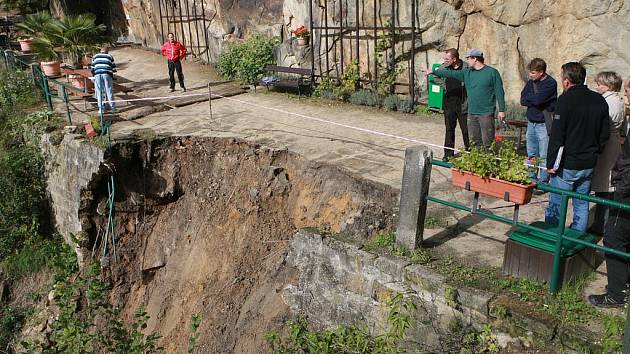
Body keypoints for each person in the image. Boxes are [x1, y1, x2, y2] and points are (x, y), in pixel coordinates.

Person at [545, 62, 609, 233]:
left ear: (566, 81)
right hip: (589, 162)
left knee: (557, 204)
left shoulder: (565, 100)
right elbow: (604, 134)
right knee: (581, 203)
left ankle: (553, 241)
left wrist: (550, 164)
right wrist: (596, 151)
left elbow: (557, 136)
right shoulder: (599, 99)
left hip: (568, 164)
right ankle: (577, 240)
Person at [588, 77, 630, 308]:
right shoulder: (622, 107)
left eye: (628, 90)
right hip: (623, 178)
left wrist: (621, 186)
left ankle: (616, 294)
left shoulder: (612, 104)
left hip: (625, 188)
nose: (626, 94)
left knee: (613, 237)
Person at [424, 48, 506, 149]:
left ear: (475, 58)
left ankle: (489, 163)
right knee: (475, 141)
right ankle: (475, 162)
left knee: (488, 141)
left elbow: (499, 91)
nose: (467, 60)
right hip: (472, 112)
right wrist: (433, 72)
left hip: (486, 113)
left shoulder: (492, 72)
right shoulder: (467, 73)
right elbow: (449, 73)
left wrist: (501, 110)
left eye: (468, 58)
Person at [589, 71, 626, 236]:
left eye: (600, 84)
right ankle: (602, 222)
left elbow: (602, 123)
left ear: (609, 85)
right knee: (606, 185)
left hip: (607, 144)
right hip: (614, 142)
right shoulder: (619, 101)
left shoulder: (609, 102)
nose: (597, 87)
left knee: (604, 186)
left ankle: (601, 225)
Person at [520, 58, 557, 184]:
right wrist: (533, 99)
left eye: (533, 72)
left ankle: (543, 181)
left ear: (541, 72)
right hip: (531, 122)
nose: (530, 75)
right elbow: (523, 99)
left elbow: (538, 100)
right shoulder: (531, 83)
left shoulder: (550, 83)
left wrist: (533, 99)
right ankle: (531, 177)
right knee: (531, 153)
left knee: (544, 155)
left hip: (543, 123)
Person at [434, 48, 470, 161]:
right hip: (449, 102)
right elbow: (436, 75)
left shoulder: (466, 67)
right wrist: (445, 86)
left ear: (454, 59)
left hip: (463, 102)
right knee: (449, 129)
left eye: (447, 58)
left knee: (466, 129)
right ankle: (448, 154)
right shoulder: (444, 66)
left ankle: (471, 152)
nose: (445, 60)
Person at [90, 47, 116, 114]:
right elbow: (113, 68)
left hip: (97, 75)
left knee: (99, 92)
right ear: (107, 51)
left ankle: (101, 109)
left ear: (101, 51)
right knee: (109, 91)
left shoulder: (95, 56)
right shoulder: (109, 56)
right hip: (107, 74)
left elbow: (92, 68)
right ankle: (113, 108)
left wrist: (94, 75)